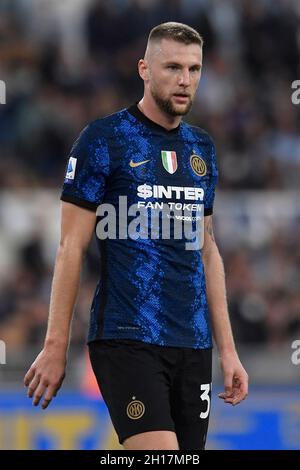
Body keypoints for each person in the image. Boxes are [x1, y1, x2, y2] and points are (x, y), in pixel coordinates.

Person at [24, 22, 248, 450]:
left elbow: (207, 250)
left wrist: (229, 350)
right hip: (126, 336)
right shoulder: (104, 140)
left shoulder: (202, 149)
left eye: (195, 69)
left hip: (193, 343)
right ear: (144, 69)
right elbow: (71, 247)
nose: (185, 81)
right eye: (173, 68)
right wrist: (55, 345)